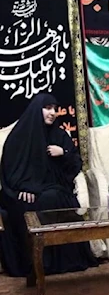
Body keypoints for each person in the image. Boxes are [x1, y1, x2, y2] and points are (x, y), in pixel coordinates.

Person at [0, 94, 97, 277]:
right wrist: (24, 187)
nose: (52, 113)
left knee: (52, 198)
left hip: (53, 187)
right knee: (27, 205)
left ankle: (58, 262)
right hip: (21, 192)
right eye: (48, 108)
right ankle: (35, 263)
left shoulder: (59, 134)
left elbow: (76, 164)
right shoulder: (19, 137)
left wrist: (64, 152)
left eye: (54, 108)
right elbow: (9, 171)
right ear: (37, 109)